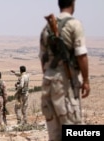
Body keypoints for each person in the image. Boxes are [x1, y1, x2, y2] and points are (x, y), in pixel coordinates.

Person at [39, 0, 90, 140]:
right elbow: (82, 55)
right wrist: (85, 80)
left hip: (48, 83)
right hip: (65, 83)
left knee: (54, 134)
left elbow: (43, 60)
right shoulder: (74, 25)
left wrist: (50, 76)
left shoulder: (46, 29)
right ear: (73, 4)